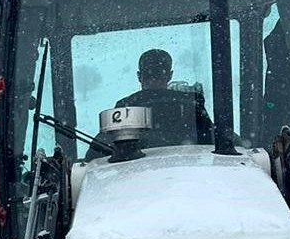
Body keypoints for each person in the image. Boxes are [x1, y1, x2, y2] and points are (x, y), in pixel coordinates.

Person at [86, 49, 214, 159]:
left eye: (158, 74)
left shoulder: (125, 108)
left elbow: (94, 156)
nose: (153, 80)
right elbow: (217, 142)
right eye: (149, 74)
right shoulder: (189, 105)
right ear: (170, 75)